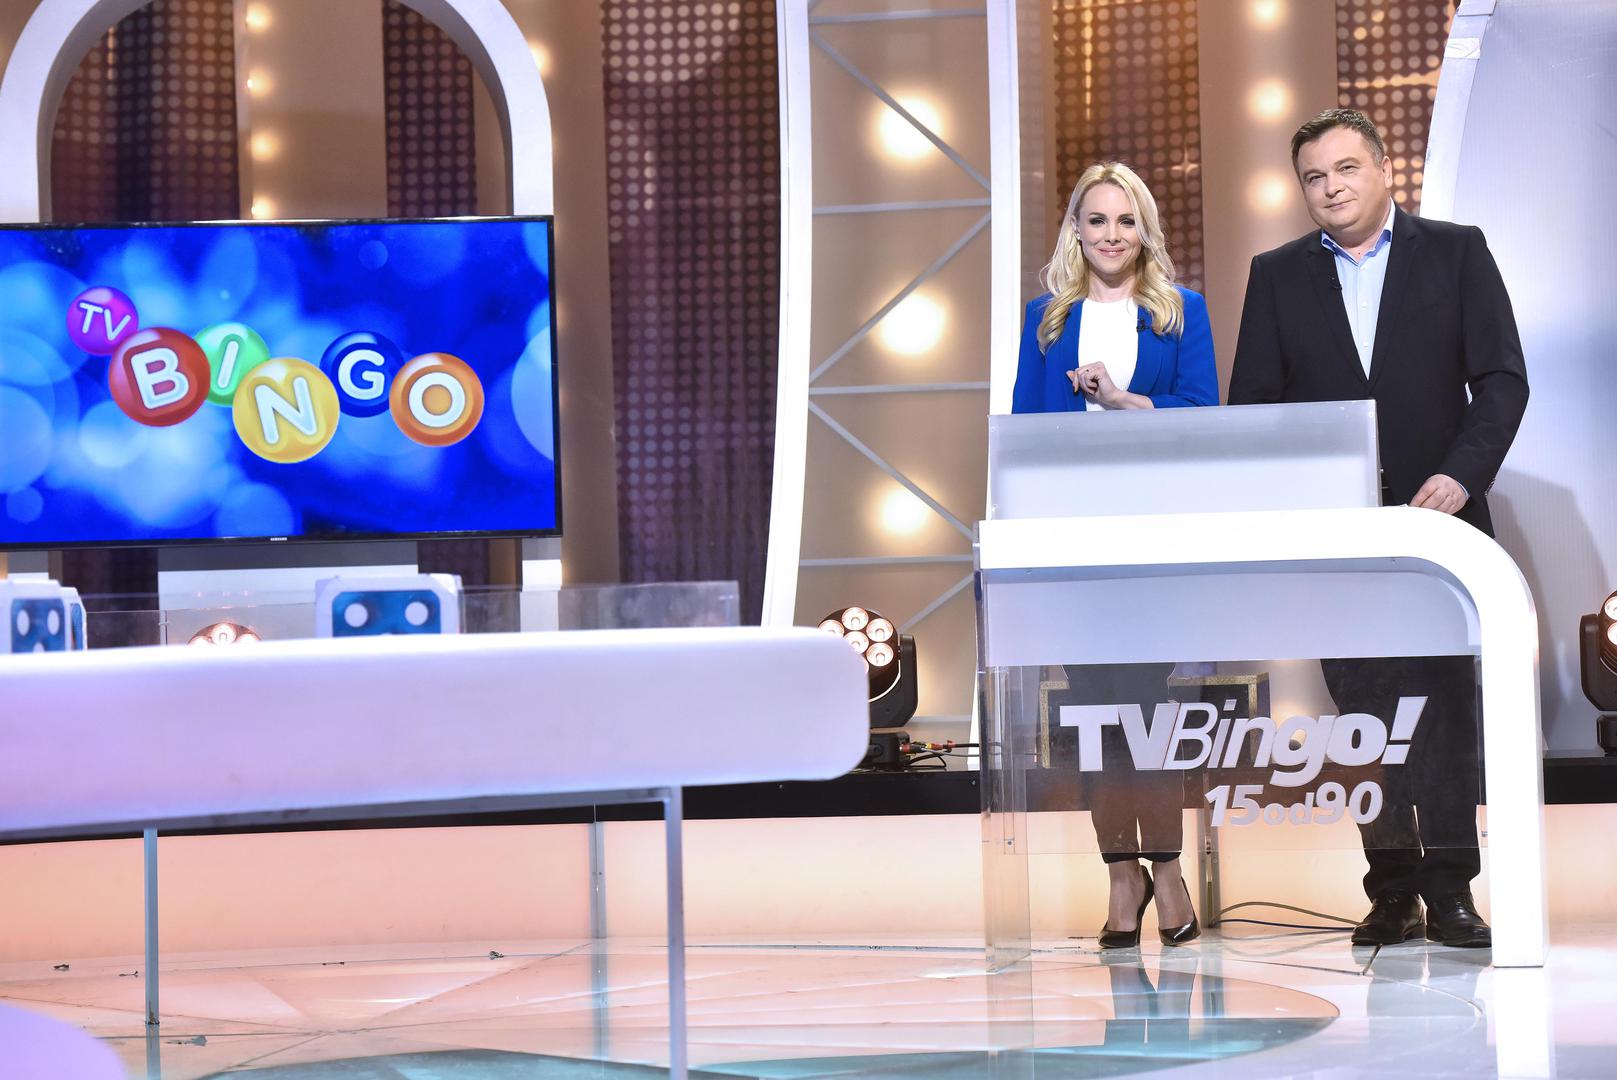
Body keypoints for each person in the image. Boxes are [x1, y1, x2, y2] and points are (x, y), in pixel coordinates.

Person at [1229, 108, 1528, 948]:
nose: (1330, 188)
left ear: (1384, 167)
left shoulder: (1455, 251)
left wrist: (1461, 474)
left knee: (1445, 713)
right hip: (1338, 537)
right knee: (1364, 719)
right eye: (1313, 177)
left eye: (1345, 168)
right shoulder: (1276, 275)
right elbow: (1254, 406)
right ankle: (1391, 890)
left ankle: (1452, 886)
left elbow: (1501, 380)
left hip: (1444, 525)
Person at [1012, 161, 1218, 947]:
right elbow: (1023, 433)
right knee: (1096, 715)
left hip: (1155, 538)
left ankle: (1165, 865)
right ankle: (1120, 874)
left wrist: (1122, 401)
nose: (1110, 234)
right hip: (1073, 545)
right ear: (1075, 229)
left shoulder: (1179, 311)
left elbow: (1203, 416)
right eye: (1095, 219)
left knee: (1148, 710)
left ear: (1144, 231)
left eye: (1124, 220)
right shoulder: (1045, 319)